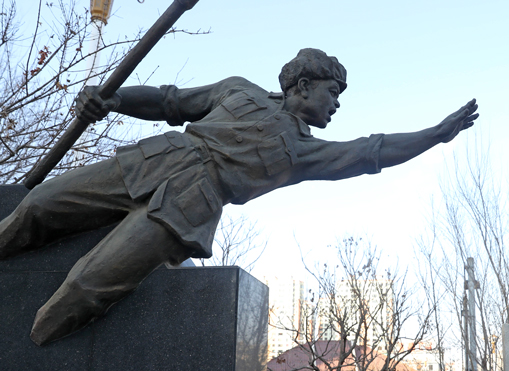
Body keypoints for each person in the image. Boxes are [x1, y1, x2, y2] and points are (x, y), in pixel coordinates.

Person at [0, 48, 478, 346]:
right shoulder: (237, 90)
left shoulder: (304, 153)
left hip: (188, 206)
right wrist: (114, 99)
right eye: (333, 93)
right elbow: (170, 101)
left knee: (87, 287)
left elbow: (369, 151)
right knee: (38, 206)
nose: (337, 104)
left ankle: (25, 357)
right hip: (155, 159)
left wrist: (433, 135)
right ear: (303, 86)